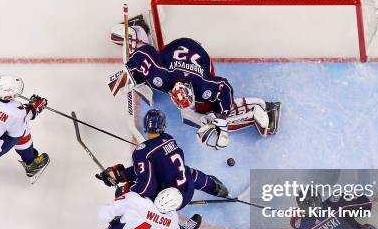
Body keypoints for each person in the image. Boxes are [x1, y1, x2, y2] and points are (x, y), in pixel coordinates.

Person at [109, 19, 281, 150]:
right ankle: (137, 28)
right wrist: (128, 72)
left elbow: (224, 87)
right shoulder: (161, 78)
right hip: (174, 48)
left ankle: (262, 110)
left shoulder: (202, 86)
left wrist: (222, 116)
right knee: (142, 74)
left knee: (207, 111)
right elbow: (144, 54)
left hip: (198, 54)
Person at [96, 109, 228, 209]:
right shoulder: (169, 138)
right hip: (189, 188)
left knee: (129, 191)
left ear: (145, 125)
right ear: (163, 126)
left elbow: (147, 186)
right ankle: (214, 187)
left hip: (171, 201)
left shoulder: (141, 152)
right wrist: (122, 174)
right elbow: (155, 165)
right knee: (186, 171)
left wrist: (125, 192)